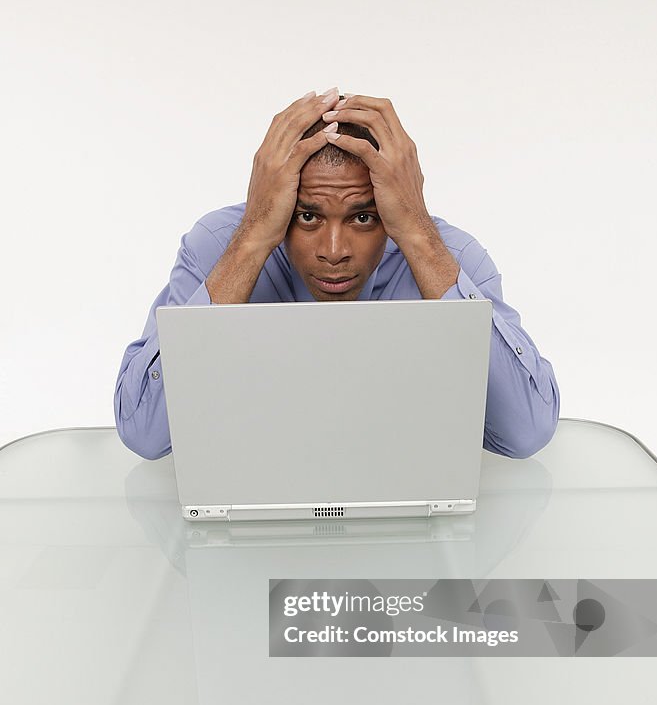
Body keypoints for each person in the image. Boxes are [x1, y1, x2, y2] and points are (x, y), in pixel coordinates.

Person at [114, 87, 560, 461]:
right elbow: (145, 435)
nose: (334, 252)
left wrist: (419, 236)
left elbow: (525, 433)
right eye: (307, 216)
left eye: (363, 218)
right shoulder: (218, 246)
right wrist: (252, 239)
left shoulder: (450, 257)